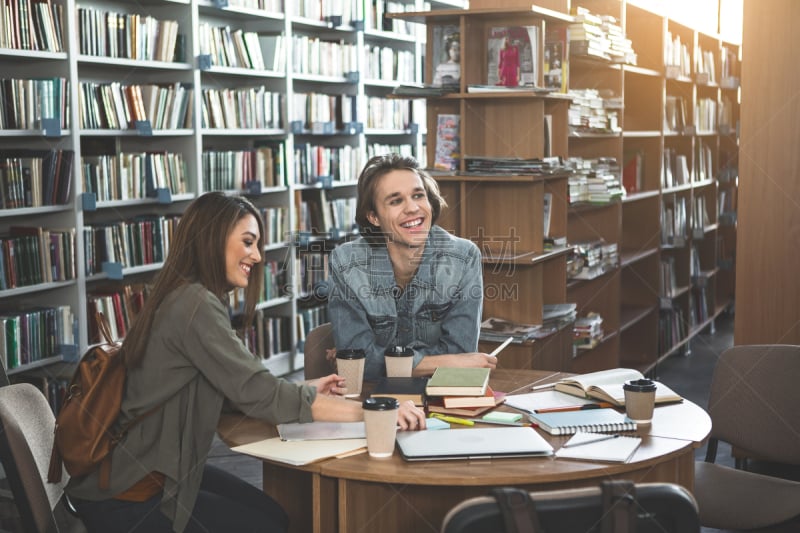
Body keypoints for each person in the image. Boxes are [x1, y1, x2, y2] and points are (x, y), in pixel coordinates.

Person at [66, 192, 426, 533]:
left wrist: (301, 389)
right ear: (213, 239)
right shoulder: (194, 306)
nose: (256, 256)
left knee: (272, 516)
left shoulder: (185, 295)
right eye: (248, 241)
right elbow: (261, 395)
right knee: (269, 525)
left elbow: (237, 390)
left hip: (155, 472)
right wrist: (379, 413)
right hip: (131, 494)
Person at [327, 154, 497, 381]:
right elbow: (358, 365)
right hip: (376, 401)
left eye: (418, 195)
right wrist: (442, 362)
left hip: (440, 393)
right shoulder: (346, 262)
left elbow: (460, 352)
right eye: (395, 201)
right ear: (374, 217)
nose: (412, 208)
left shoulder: (463, 257)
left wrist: (381, 361)